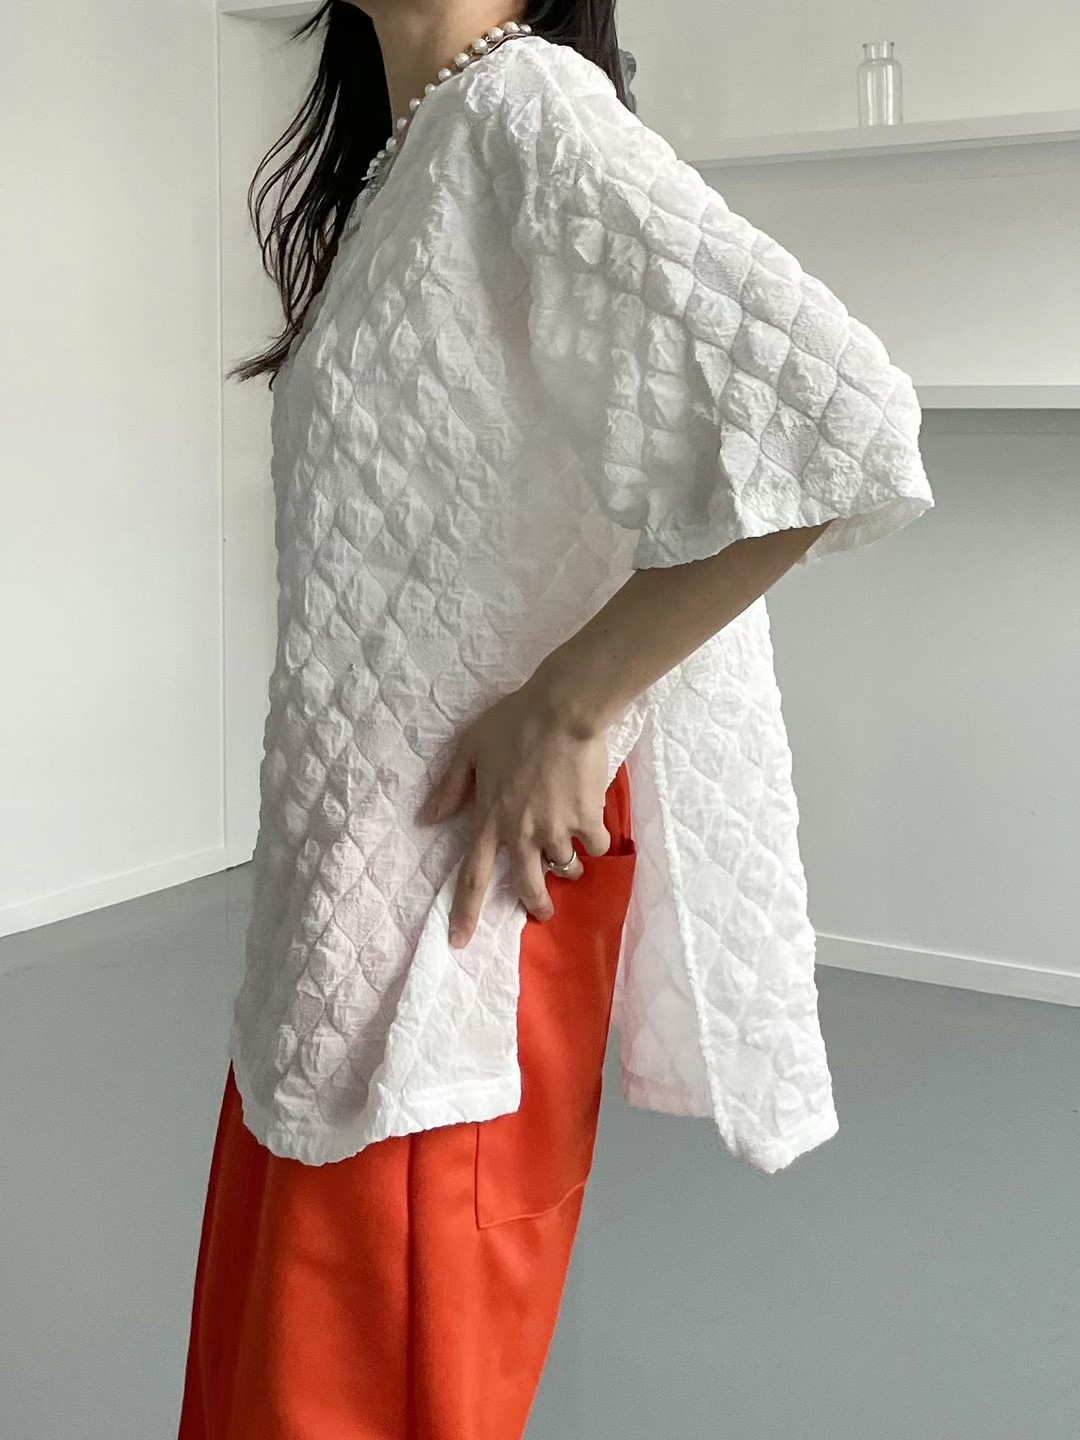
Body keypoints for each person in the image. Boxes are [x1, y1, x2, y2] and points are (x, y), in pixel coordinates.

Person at [178, 2, 934, 1436]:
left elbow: (841, 421)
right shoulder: (414, 159)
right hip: (337, 922)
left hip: (450, 916)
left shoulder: (527, 106)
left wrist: (576, 704)